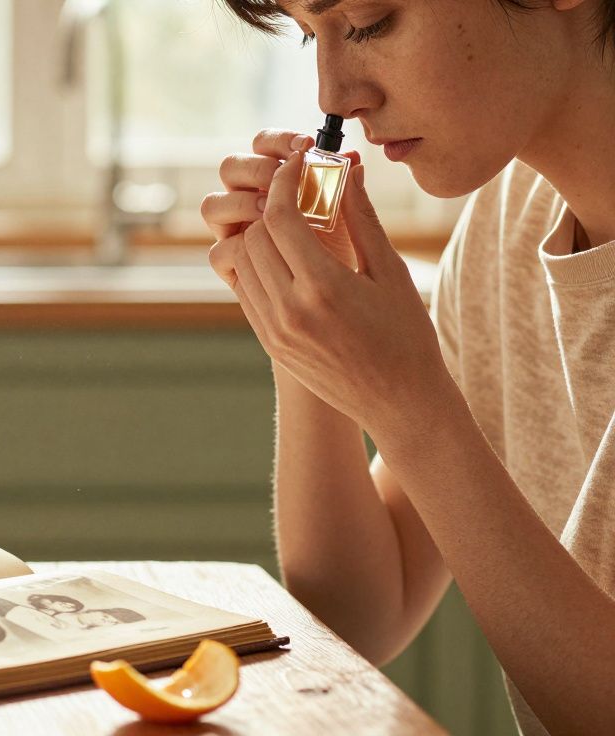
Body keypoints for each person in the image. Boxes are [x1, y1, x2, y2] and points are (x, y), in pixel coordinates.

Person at [200, 2, 615, 734]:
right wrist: (306, 335)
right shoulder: (510, 218)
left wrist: (410, 406)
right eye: (309, 36)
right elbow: (359, 609)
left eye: (368, 22)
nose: (333, 97)